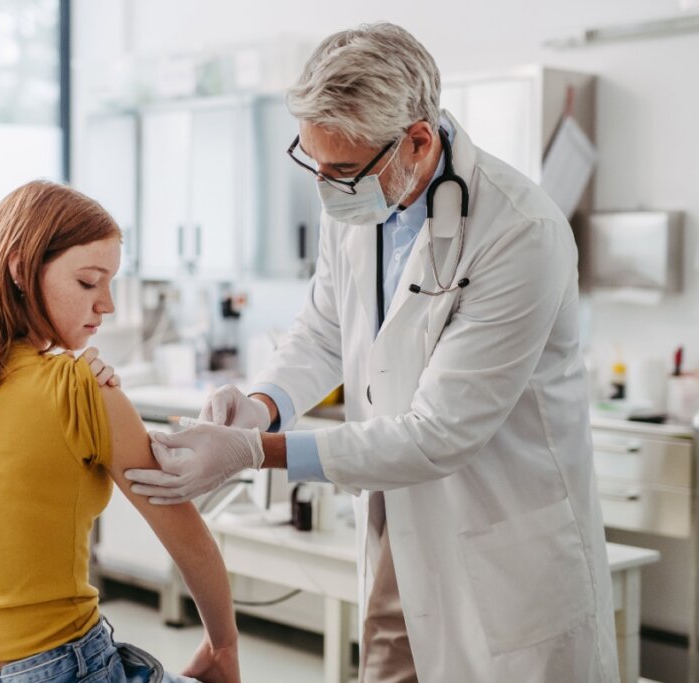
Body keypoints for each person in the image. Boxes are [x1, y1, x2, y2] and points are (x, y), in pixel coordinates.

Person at [125, 23, 618, 683]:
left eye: (342, 171)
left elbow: (439, 434)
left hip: (501, 544)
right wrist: (262, 406)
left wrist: (255, 452)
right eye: (314, 165)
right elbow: (325, 330)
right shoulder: (360, 200)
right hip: (398, 525)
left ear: (417, 139)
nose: (327, 189)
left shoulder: (520, 233)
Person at [0, 180, 240, 683]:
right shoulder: (81, 388)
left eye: (110, 282)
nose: (107, 304)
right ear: (20, 269)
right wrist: (223, 646)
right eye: (89, 283)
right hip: (54, 666)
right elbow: (189, 541)